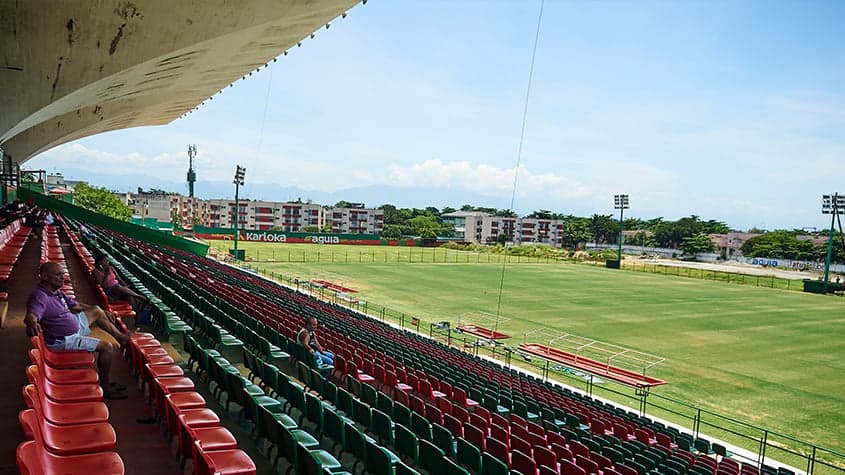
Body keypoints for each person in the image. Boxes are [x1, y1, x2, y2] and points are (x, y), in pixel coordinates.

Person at [25, 261, 130, 399]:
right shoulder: (41, 297)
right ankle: (106, 386)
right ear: (45, 277)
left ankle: (121, 337)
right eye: (58, 274)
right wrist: (31, 321)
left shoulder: (56, 291)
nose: (62, 277)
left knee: (97, 310)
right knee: (107, 348)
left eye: (63, 274)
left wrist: (103, 311)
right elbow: (32, 315)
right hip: (65, 340)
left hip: (74, 326)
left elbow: (76, 306)